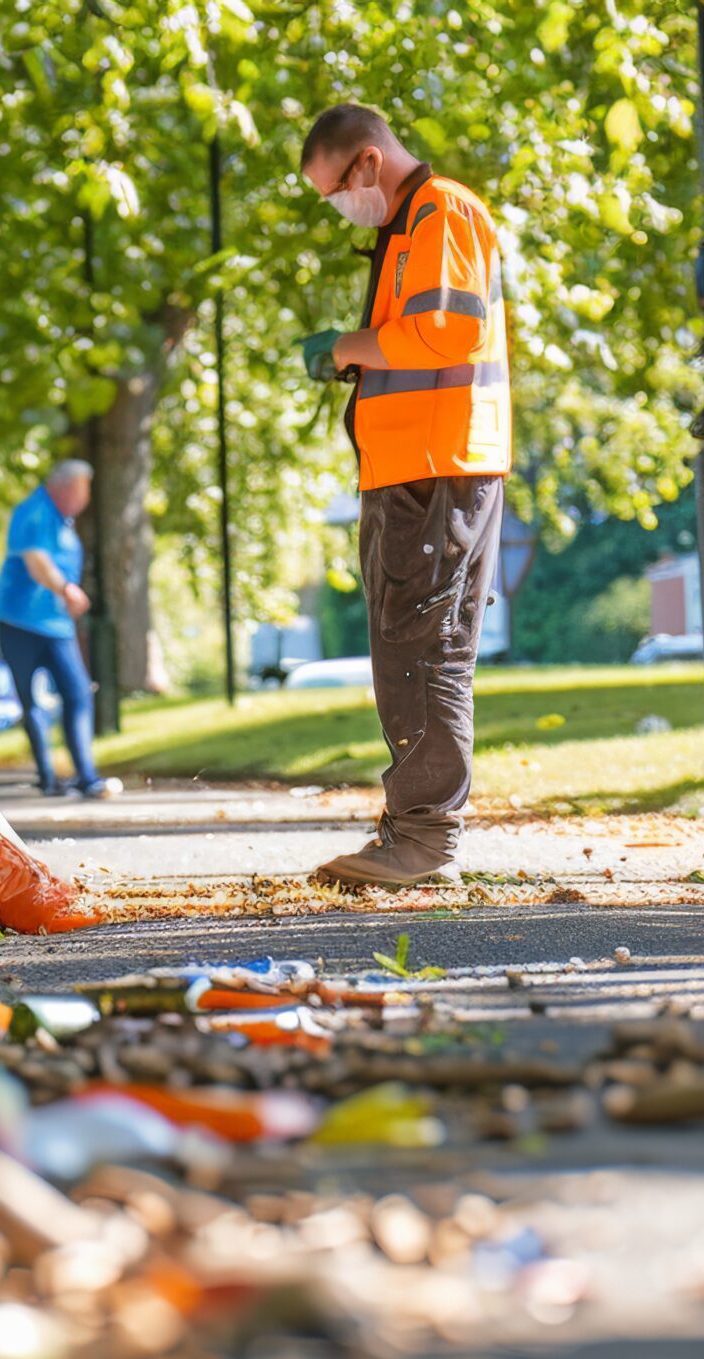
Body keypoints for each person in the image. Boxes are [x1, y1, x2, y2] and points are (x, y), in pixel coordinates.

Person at [295, 102, 510, 888]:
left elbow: (447, 330)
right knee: (408, 647)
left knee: (424, 650)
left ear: (366, 163)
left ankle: (424, 842)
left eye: (334, 191)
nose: (337, 207)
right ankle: (414, 831)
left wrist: (350, 346)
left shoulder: (442, 210)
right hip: (413, 467)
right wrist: (358, 360)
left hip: (437, 466)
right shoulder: (409, 224)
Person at [0, 459, 118, 800]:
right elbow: (37, 563)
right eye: (82, 491)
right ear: (65, 487)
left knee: (76, 694)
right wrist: (66, 589)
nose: (85, 499)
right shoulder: (32, 512)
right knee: (30, 701)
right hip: (18, 622)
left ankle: (87, 777)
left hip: (57, 626)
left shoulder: (64, 521)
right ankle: (48, 777)